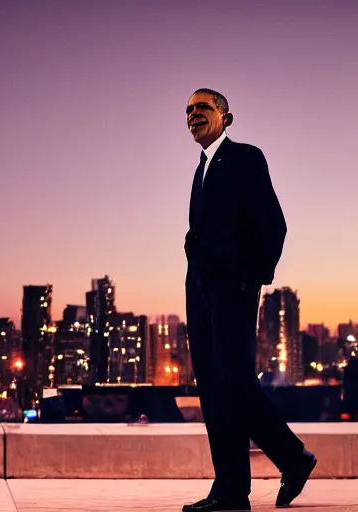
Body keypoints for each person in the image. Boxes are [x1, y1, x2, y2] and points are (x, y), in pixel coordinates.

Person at [182, 88, 317, 511]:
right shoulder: (201, 168)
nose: (193, 115)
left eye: (203, 107)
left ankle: (291, 459)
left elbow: (274, 226)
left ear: (226, 116)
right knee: (213, 388)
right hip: (200, 291)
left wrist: (248, 281)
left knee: (235, 384)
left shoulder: (245, 158)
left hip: (232, 290)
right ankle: (230, 491)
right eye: (188, 110)